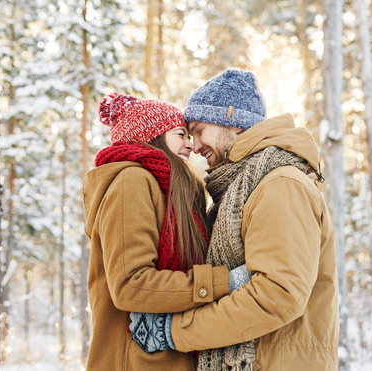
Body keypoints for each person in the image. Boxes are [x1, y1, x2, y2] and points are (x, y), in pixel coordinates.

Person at [130, 69, 340, 371]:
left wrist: (175, 331)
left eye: (200, 129)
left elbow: (278, 294)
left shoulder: (280, 184)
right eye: (188, 135)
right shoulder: (242, 189)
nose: (196, 145)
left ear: (233, 121)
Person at [83, 93, 249, 370]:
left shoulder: (177, 189)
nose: (190, 144)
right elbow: (130, 284)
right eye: (181, 134)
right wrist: (224, 282)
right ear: (152, 135)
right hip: (136, 360)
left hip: (170, 355)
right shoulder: (131, 182)